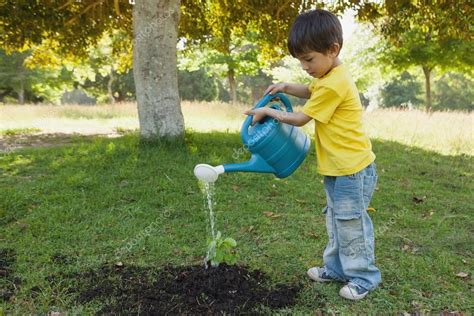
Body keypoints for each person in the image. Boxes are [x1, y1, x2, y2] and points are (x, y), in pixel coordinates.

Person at [244, 9, 381, 300]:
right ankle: (336, 268)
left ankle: (363, 277)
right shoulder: (329, 74)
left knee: (350, 222)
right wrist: (285, 86)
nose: (305, 66)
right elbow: (309, 90)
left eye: (309, 59)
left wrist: (270, 112)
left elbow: (302, 118)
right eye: (301, 60)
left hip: (351, 169)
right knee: (335, 219)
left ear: (333, 50)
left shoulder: (334, 83)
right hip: (338, 167)